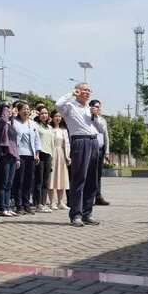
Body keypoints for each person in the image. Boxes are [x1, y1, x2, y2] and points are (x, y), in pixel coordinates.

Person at [56, 82, 105, 227]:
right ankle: (76, 214)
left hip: (93, 142)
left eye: (89, 90)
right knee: (79, 179)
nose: (87, 92)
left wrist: (96, 116)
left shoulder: (90, 110)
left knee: (92, 180)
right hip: (79, 142)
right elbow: (58, 105)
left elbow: (101, 129)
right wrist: (72, 94)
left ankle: (87, 213)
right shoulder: (70, 107)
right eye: (85, 90)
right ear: (78, 91)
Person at [12, 101, 41, 214]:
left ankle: (26, 204)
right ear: (18, 111)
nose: (26, 111)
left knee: (29, 181)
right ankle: (19, 205)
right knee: (19, 180)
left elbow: (37, 139)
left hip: (31, 155)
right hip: (19, 154)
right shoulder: (14, 123)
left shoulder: (33, 124)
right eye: (24, 109)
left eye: (28, 109)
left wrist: (37, 153)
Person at [0, 102, 19, 217]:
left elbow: (15, 143)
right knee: (3, 183)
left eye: (9, 109)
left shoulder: (11, 123)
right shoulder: (0, 121)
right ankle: (3, 208)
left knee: (9, 183)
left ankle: (8, 207)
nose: (9, 111)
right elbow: (4, 121)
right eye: (6, 109)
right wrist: (6, 110)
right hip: (4, 155)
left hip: (13, 156)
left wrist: (17, 158)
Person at [47, 110, 70, 209]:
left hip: (61, 155)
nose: (58, 118)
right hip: (52, 154)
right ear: (52, 117)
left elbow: (67, 144)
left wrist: (67, 156)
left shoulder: (64, 130)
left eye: (60, 116)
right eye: (56, 116)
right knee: (51, 178)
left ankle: (61, 202)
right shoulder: (49, 129)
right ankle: (52, 202)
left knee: (61, 178)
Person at [90, 100, 111, 206]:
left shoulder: (102, 120)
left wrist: (107, 151)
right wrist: (93, 116)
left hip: (100, 148)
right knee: (90, 174)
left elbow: (105, 134)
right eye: (95, 107)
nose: (97, 109)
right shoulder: (88, 118)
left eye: (98, 107)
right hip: (90, 149)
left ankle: (98, 196)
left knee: (98, 174)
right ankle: (89, 196)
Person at [34, 105, 54, 213]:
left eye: (46, 113)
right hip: (40, 154)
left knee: (46, 181)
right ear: (38, 114)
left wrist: (53, 158)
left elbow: (52, 144)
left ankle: (43, 202)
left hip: (49, 155)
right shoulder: (35, 125)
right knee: (39, 180)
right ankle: (38, 203)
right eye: (42, 113)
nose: (44, 115)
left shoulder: (50, 128)